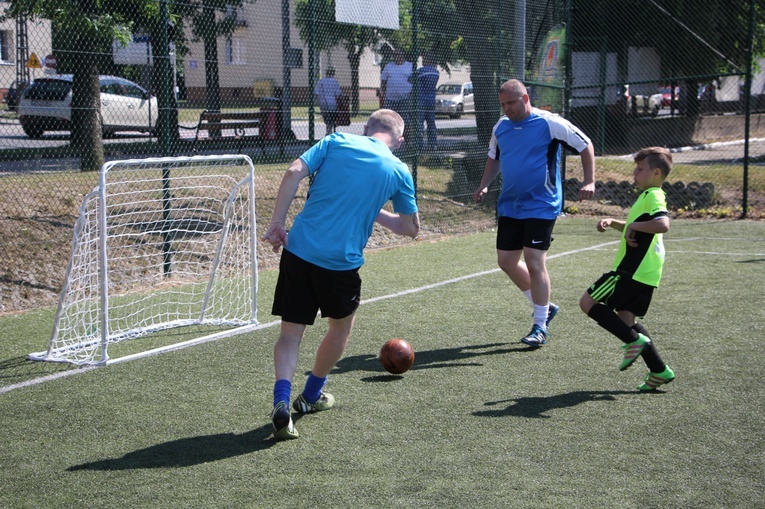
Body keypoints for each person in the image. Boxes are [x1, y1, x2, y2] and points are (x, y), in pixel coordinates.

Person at [261, 109, 420, 440]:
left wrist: (277, 223)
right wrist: (372, 208)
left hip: (298, 251)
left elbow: (293, 172)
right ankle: (311, 396)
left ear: (366, 129)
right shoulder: (399, 170)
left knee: (290, 334)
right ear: (400, 141)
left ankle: (280, 402)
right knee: (340, 329)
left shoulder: (335, 141)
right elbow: (409, 228)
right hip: (340, 265)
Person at [473, 79, 596, 347]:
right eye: (502, 104)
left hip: (543, 203)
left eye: (511, 103)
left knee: (533, 260)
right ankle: (545, 306)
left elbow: (586, 144)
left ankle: (540, 326)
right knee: (506, 261)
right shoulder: (501, 127)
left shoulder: (549, 122)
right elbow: (494, 158)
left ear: (525, 99)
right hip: (510, 204)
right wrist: (484, 184)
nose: (506, 109)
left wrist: (590, 180)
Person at [579, 147, 675, 391]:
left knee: (587, 303)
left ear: (655, 172)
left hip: (632, 269)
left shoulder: (653, 195)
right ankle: (659, 370)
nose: (635, 173)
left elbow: (662, 224)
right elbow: (639, 227)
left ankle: (634, 342)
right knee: (626, 318)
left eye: (640, 169)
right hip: (647, 272)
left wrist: (632, 225)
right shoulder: (647, 196)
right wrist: (615, 223)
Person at [380, 49, 413, 132]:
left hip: (405, 99)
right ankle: (391, 141)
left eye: (398, 54)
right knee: (389, 121)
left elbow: (414, 82)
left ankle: (408, 143)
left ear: (403, 55)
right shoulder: (388, 66)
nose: (396, 56)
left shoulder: (410, 66)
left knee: (405, 121)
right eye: (394, 55)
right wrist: (383, 93)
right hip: (390, 99)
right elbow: (383, 81)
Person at [415, 53, 440, 151]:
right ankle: (433, 144)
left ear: (428, 60)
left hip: (421, 100)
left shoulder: (421, 71)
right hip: (431, 100)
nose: (422, 61)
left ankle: (419, 145)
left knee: (419, 123)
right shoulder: (436, 72)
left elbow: (410, 80)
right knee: (431, 123)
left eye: (424, 59)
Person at [314, 68, 343, 134]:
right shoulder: (334, 81)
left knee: (326, 118)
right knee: (332, 117)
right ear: (333, 73)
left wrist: (318, 100)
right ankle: (332, 130)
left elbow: (316, 92)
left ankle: (328, 131)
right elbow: (338, 93)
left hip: (323, 102)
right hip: (332, 103)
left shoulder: (321, 81)